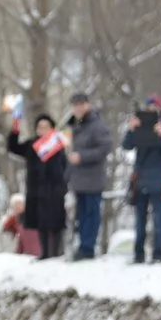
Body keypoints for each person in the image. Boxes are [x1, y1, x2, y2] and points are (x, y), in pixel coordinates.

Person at [124, 95, 161, 263]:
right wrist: (131, 129)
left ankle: (158, 252)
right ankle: (138, 253)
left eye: (155, 109)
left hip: (160, 178)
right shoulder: (139, 126)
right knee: (140, 219)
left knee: (159, 218)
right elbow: (127, 145)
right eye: (149, 109)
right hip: (140, 179)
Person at [7, 113, 68, 259]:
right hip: (36, 189)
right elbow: (14, 148)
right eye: (39, 127)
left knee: (55, 221)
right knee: (40, 221)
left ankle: (56, 252)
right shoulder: (32, 145)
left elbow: (65, 167)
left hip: (54, 189)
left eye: (45, 127)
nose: (42, 130)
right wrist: (15, 130)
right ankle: (44, 253)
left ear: (52, 129)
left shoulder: (58, 145)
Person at [65, 92, 114, 260]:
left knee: (91, 213)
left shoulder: (97, 126)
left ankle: (88, 247)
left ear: (87, 105)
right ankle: (82, 246)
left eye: (80, 104)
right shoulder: (74, 126)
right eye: (74, 105)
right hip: (78, 178)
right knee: (81, 214)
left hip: (93, 178)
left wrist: (82, 156)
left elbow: (105, 148)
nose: (77, 108)